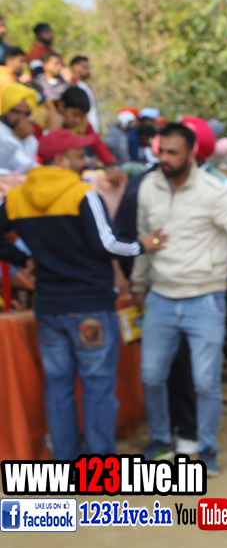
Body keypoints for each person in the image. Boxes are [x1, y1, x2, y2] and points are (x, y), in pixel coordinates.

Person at [0, 129, 165, 459]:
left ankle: (66, 460)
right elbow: (108, 244)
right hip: (90, 304)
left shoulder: (16, 198)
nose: (86, 160)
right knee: (97, 385)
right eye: (79, 155)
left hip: (49, 305)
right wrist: (143, 245)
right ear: (61, 160)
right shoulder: (82, 194)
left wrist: (21, 260)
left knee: (58, 386)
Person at [131, 122, 227, 474]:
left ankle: (207, 448)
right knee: (151, 376)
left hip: (205, 300)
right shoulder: (148, 187)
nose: (165, 158)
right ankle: (162, 440)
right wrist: (138, 284)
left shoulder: (214, 192)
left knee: (205, 382)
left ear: (192, 154)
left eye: (173, 152)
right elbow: (145, 239)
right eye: (161, 151)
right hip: (160, 298)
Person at [60, 86, 115, 166]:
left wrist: (111, 165)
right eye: (75, 114)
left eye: (82, 116)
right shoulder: (43, 118)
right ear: (61, 106)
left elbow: (97, 143)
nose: (78, 120)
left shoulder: (84, 123)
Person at [0, 84, 39, 174]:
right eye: (16, 112)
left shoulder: (30, 137)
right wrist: (15, 139)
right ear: (6, 109)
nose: (21, 117)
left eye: (27, 114)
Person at [68, 56, 100, 132]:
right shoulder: (72, 85)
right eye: (84, 67)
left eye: (88, 67)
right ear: (75, 67)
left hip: (93, 127)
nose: (87, 70)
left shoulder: (87, 85)